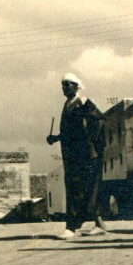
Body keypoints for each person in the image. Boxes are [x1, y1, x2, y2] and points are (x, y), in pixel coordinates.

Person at [46, 73, 106, 239]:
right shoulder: (69, 104)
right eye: (63, 85)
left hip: (84, 154)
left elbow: (99, 120)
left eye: (68, 84)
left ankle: (71, 227)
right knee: (84, 187)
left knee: (77, 188)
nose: (64, 88)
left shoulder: (83, 102)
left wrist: (91, 141)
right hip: (74, 154)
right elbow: (69, 132)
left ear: (76, 86)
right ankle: (99, 224)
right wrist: (56, 138)